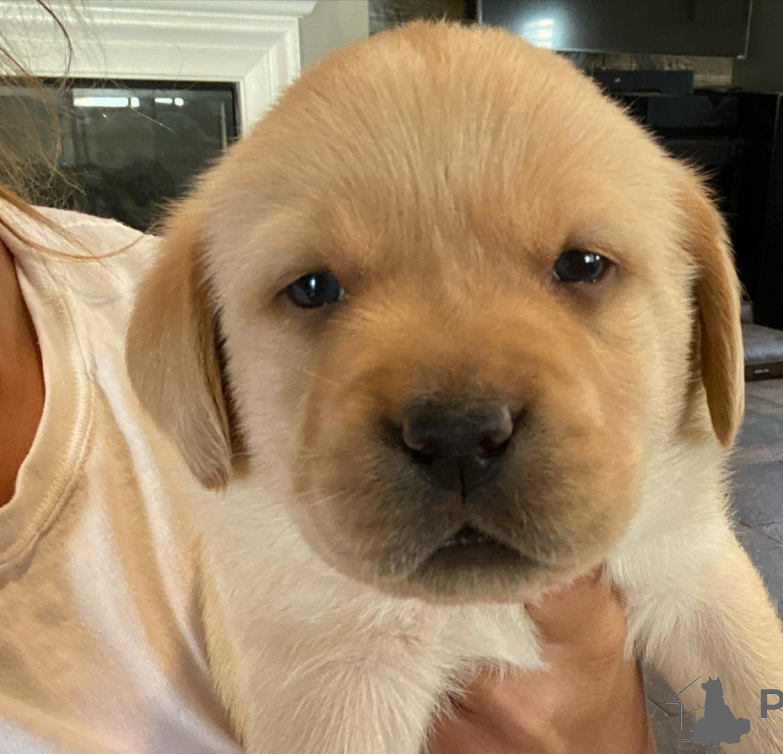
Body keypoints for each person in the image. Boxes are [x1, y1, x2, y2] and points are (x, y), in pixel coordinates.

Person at [0, 15, 655, 754]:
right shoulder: (192, 315)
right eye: (315, 290)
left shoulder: (124, 282)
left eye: (578, 268)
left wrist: (599, 704)